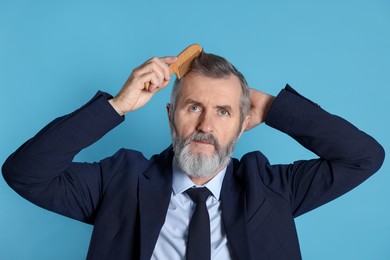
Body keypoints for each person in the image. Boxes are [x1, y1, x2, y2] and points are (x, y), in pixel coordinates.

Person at [2, 51, 385, 260]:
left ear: (241, 125)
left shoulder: (272, 188)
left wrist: (272, 108)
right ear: (171, 115)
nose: (206, 124)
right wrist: (117, 106)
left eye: (223, 112)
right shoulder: (120, 178)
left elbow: (364, 157)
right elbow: (25, 174)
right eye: (193, 107)